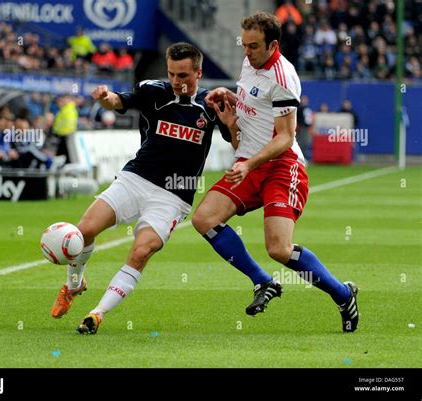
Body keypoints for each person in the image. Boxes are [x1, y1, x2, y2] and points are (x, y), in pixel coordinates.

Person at [192, 11, 359, 333]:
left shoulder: (283, 77)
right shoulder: (249, 62)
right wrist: (230, 99)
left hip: (282, 166)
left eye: (254, 46)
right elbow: (252, 109)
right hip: (250, 162)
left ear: (273, 45)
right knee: (204, 218)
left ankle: (343, 294)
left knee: (278, 249)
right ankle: (262, 281)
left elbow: (285, 137)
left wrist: (249, 163)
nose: (247, 52)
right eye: (244, 45)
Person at [50, 42, 231, 334]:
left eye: (183, 75)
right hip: (136, 179)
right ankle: (75, 284)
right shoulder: (153, 91)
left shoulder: (212, 105)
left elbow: (235, 141)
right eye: (172, 73)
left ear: (199, 73)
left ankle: (97, 314)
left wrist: (232, 124)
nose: (176, 81)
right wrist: (104, 97)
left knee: (141, 251)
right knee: (83, 231)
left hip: (174, 195)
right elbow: (118, 101)